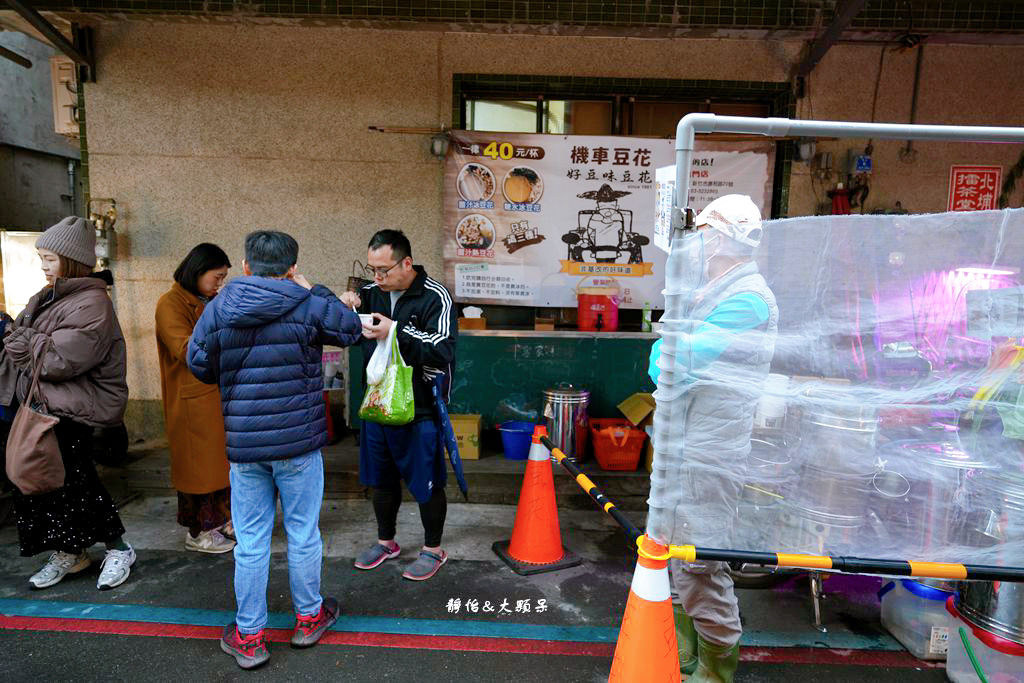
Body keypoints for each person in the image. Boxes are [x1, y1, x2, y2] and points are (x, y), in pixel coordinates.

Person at [188, 230, 362, 670]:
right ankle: (308, 618)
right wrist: (313, 288)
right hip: (299, 445)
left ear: (245, 266)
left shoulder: (219, 308)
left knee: (250, 542)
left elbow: (198, 364)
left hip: (245, 446)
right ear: (291, 268)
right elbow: (351, 328)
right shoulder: (305, 303)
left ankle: (249, 636)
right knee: (303, 533)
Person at [646, 195, 778, 682]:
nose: (696, 243)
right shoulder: (715, 289)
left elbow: (669, 362)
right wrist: (666, 349)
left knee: (700, 562)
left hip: (710, 452)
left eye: (702, 233)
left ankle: (715, 669)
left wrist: (664, 349)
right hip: (688, 447)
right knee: (675, 556)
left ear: (719, 238)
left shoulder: (747, 298)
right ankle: (684, 654)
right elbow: (669, 356)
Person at [0, 216, 134, 590]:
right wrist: (20, 336)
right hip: (45, 407)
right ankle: (70, 552)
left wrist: (18, 335)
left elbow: (58, 360)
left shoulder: (92, 303)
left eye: (49, 259)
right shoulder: (50, 296)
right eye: (41, 258)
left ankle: (119, 547)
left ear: (72, 261)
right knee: (44, 484)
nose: (43, 266)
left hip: (73, 410)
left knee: (77, 483)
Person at [341, 229, 456, 581]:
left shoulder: (436, 296)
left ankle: (433, 550)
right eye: (372, 269)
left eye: (384, 270)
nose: (376, 278)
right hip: (377, 401)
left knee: (427, 481)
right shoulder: (370, 293)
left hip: (420, 404)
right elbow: (343, 332)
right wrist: (343, 307)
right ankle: (386, 541)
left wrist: (395, 330)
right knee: (382, 478)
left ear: (407, 262)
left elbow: (442, 349)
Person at [155, 243, 235, 554]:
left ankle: (222, 525)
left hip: (215, 395)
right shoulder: (170, 303)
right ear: (197, 272)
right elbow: (185, 347)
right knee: (198, 474)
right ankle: (200, 532)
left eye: (223, 277)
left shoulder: (209, 300)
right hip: (191, 399)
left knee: (220, 470)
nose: (220, 284)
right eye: (216, 277)